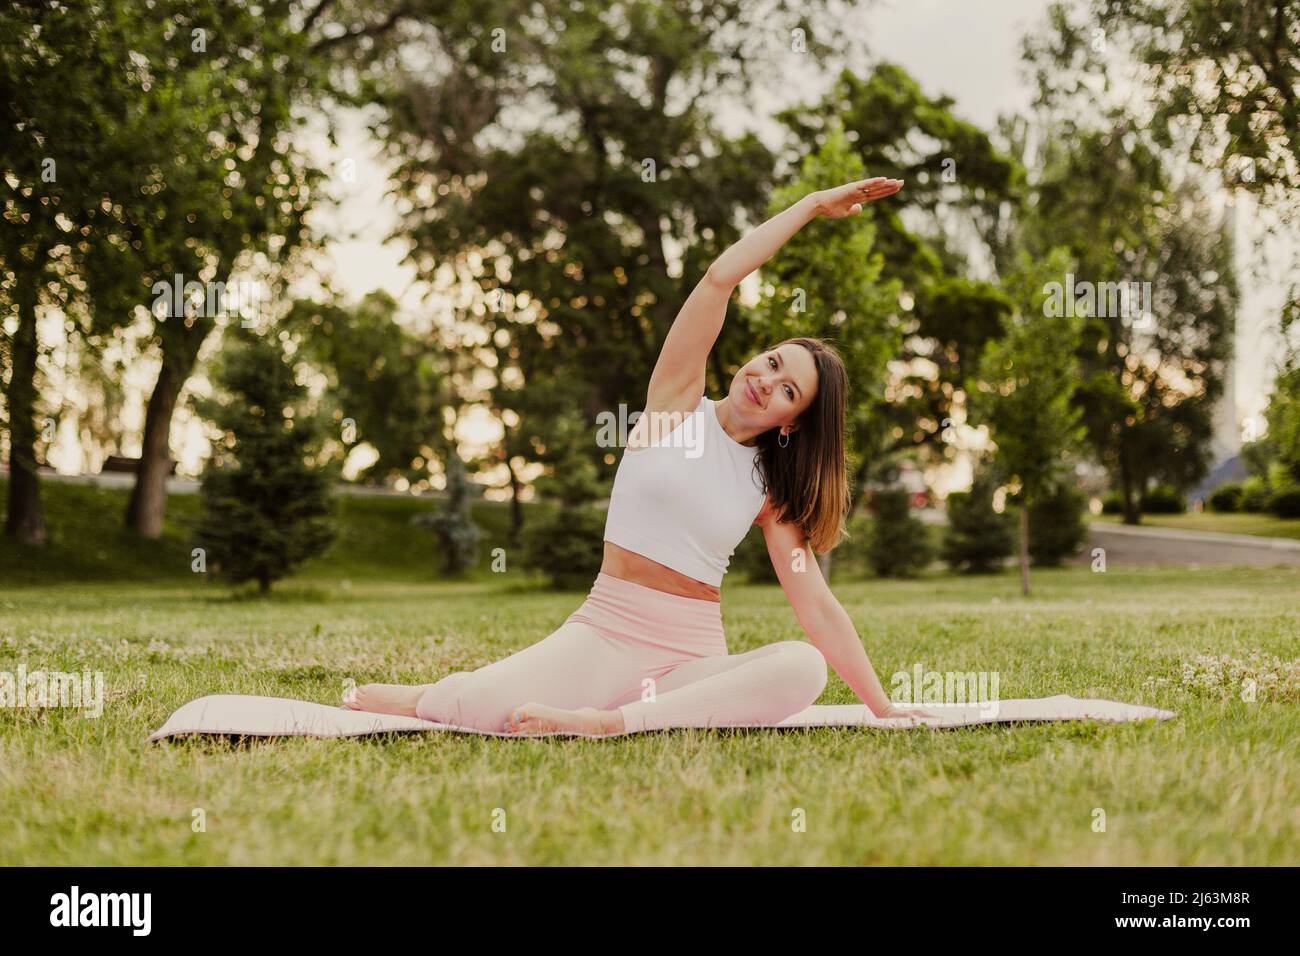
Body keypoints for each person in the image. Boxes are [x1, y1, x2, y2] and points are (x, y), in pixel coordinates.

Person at [344, 177, 933, 735]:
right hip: (606, 634)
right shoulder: (675, 406)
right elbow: (718, 281)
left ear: (793, 422)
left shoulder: (770, 490)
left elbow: (817, 607)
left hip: (688, 662)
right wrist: (809, 206)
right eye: (774, 361)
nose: (766, 380)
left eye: (788, 390)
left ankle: (615, 723)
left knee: (802, 667)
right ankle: (436, 695)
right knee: (481, 710)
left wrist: (880, 706)